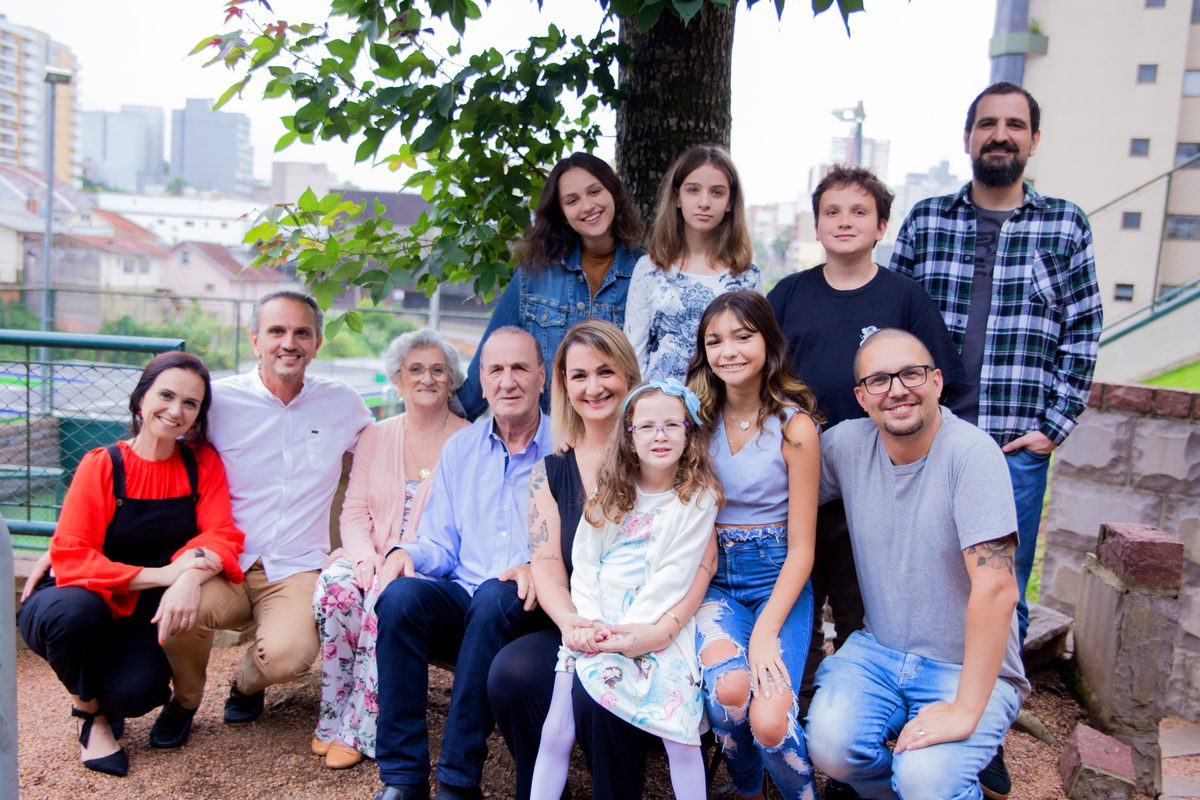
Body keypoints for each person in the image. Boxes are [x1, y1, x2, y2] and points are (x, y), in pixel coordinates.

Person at [890, 82, 1102, 798]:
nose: (1000, 135)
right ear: (968, 137)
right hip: (930, 446)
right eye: (988, 124)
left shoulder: (1065, 226)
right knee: (920, 587)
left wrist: (1054, 428)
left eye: (1015, 124)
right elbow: (893, 325)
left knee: (997, 595)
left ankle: (985, 733)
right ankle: (916, 718)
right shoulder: (926, 222)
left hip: (1012, 452)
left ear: (1034, 141)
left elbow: (1083, 333)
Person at [765, 165, 967, 731]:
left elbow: (940, 387)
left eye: (859, 212)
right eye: (832, 211)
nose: (844, 221)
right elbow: (761, 379)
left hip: (878, 492)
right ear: (817, 224)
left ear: (882, 226)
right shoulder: (790, 295)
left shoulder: (904, 299)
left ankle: (863, 734)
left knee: (863, 615)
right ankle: (790, 731)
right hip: (798, 489)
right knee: (798, 611)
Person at [488, 320, 718, 800]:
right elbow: (550, 565)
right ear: (564, 386)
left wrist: (654, 630)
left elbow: (700, 564)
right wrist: (577, 625)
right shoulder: (552, 470)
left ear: (629, 378)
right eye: (578, 376)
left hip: (657, 620)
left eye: (606, 371)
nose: (593, 387)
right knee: (511, 674)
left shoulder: (666, 460)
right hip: (583, 616)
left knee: (596, 696)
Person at [804, 328, 1029, 800]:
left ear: (938, 382)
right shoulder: (846, 447)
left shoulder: (972, 455)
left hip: (962, 666)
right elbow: (775, 491)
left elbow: (997, 589)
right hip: (878, 654)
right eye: (879, 380)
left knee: (926, 780)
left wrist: (966, 709)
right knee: (829, 749)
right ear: (861, 397)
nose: (898, 389)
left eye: (911, 373)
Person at [157, 290, 373, 747]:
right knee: (180, 614)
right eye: (276, 331)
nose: (288, 343)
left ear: (317, 344)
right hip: (225, 559)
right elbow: (161, 451)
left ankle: (245, 682)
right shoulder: (219, 401)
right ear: (256, 340)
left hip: (296, 566)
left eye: (301, 333)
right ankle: (186, 701)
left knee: (289, 657)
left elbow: (382, 460)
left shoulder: (343, 403)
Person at [17, 352, 245, 776]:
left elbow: (220, 536)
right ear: (141, 398)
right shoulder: (103, 464)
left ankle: (105, 694)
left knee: (140, 693)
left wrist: (190, 577)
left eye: (191, 403)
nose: (176, 411)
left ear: (198, 415)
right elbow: (72, 557)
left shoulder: (202, 463)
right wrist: (163, 575)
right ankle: (89, 715)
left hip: (139, 610)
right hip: (75, 598)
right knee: (77, 615)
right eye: (166, 395)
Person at [371, 326, 552, 800]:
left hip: (535, 607)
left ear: (542, 377)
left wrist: (546, 567)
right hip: (468, 602)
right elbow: (440, 543)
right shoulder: (462, 448)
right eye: (496, 370)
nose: (507, 381)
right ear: (482, 381)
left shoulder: (568, 448)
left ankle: (457, 779)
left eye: (519, 368)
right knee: (402, 596)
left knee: (498, 592)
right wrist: (406, 552)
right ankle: (403, 776)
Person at [311, 329, 470, 769]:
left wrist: (406, 559)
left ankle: (360, 731)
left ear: (452, 380)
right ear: (397, 380)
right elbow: (354, 511)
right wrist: (363, 557)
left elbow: (461, 529)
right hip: (369, 555)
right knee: (339, 591)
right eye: (415, 369)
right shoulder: (375, 435)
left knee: (390, 599)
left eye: (438, 369)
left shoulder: (469, 441)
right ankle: (332, 716)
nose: (427, 378)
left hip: (431, 568)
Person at [686, 290, 822, 800]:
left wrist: (767, 630)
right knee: (728, 694)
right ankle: (746, 789)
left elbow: (804, 550)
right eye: (715, 341)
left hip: (778, 580)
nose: (729, 351)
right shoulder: (693, 422)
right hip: (713, 581)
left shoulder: (795, 427)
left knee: (768, 720)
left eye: (743, 337)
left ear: (768, 342)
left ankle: (800, 794)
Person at [458, 153, 645, 419]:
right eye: (573, 200)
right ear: (562, 213)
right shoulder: (535, 272)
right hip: (550, 436)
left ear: (613, 193)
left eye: (595, 192)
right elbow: (492, 352)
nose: (588, 206)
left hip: (620, 437)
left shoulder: (646, 273)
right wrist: (457, 418)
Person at [624, 144, 762, 383]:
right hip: (661, 411)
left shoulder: (747, 276)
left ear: (730, 202)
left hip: (724, 410)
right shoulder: (649, 270)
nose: (704, 202)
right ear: (677, 197)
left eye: (717, 192)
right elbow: (633, 354)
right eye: (693, 190)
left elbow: (757, 354)